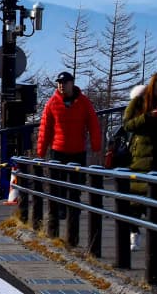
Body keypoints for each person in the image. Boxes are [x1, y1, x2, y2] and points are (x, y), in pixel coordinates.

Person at [36, 71, 101, 224]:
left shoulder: (84, 102)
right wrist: (41, 151)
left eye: (65, 82)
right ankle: (60, 211)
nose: (62, 85)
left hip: (78, 151)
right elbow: (45, 128)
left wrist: (96, 146)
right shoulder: (52, 102)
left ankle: (74, 211)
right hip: (58, 150)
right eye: (59, 83)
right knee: (58, 185)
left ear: (72, 83)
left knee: (75, 186)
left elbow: (93, 124)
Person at [123, 71, 157, 251]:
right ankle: (134, 232)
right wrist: (149, 116)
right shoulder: (139, 102)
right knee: (135, 200)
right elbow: (127, 124)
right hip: (139, 157)